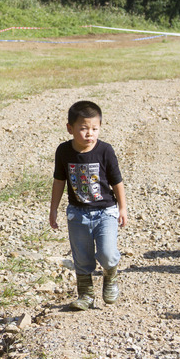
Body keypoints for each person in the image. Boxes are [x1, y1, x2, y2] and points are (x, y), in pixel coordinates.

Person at [49, 101, 127, 311]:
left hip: (105, 212)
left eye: (94, 129)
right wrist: (53, 209)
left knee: (107, 252)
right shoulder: (64, 151)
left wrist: (122, 208)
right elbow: (59, 181)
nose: (89, 134)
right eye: (83, 128)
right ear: (70, 128)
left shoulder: (105, 151)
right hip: (77, 214)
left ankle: (110, 275)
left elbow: (117, 181)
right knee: (81, 256)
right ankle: (86, 295)